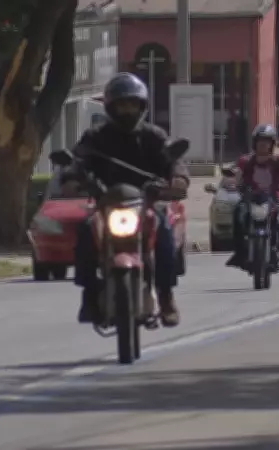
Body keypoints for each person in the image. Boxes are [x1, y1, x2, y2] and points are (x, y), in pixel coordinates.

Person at [65, 72, 189, 327]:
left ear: (141, 106)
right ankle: (89, 294)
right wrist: (71, 177)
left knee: (164, 233)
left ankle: (166, 296)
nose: (127, 110)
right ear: (111, 107)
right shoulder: (96, 136)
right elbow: (78, 161)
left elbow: (173, 161)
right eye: (121, 105)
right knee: (86, 230)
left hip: (145, 204)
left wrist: (178, 180)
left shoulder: (153, 135)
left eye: (132, 104)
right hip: (106, 204)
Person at [226, 124, 279, 272]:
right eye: (260, 141)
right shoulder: (245, 161)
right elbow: (237, 174)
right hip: (251, 198)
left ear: (272, 144)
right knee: (238, 214)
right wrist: (233, 183)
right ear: (254, 143)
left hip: (274, 199)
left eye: (267, 141)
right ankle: (239, 253)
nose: (263, 144)